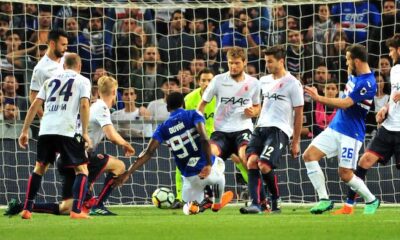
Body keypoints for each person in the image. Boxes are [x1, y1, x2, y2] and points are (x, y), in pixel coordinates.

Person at [5, 76, 135, 217]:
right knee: (120, 166)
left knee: (66, 208)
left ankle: (21, 206)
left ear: (98, 91)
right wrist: (126, 144)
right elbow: (111, 135)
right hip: (78, 154)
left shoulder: (93, 105)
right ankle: (98, 205)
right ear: (115, 92)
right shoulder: (101, 106)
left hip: (64, 158)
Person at [114, 92, 233, 213]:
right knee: (219, 165)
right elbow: (204, 138)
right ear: (184, 104)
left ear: (167, 108)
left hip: (189, 177)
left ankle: (198, 204)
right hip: (207, 170)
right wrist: (208, 164)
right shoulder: (193, 114)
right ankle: (216, 202)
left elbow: (148, 152)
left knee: (188, 209)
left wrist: (128, 172)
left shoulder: (162, 128)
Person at [303, 44, 379, 215]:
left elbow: (345, 103)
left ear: (357, 61)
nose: (346, 63)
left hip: (351, 134)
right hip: (335, 127)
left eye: (348, 60)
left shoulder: (368, 83)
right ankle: (324, 200)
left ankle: (372, 200)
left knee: (345, 174)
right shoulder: (353, 76)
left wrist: (318, 97)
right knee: (308, 155)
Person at [18, 53, 92, 219]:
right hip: (67, 129)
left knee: (39, 168)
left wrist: (24, 131)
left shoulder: (49, 81)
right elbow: (85, 104)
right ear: (79, 67)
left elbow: (34, 106)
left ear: (63, 65)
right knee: (82, 170)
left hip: (46, 129)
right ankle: (76, 211)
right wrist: (85, 132)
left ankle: (27, 209)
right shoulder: (82, 80)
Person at [333, 34, 400, 215]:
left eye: (392, 50)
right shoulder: (394, 70)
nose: (390, 53)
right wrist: (385, 108)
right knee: (363, 161)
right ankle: (349, 205)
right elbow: (394, 96)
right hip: (388, 127)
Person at [240, 45, 304, 214]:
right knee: (251, 162)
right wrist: (254, 111)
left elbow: (298, 114)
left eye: (270, 61)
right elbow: (261, 106)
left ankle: (276, 197)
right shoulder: (264, 81)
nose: (267, 64)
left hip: (279, 129)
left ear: (281, 61)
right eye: (266, 61)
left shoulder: (293, 84)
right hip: (260, 127)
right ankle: (256, 204)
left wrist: (295, 141)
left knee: (264, 166)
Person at [198, 46, 261, 190]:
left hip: (243, 129)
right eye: (230, 63)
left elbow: (258, 107)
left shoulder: (254, 83)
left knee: (247, 158)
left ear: (244, 62)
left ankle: (260, 199)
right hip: (221, 131)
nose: (233, 66)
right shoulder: (218, 80)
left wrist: (253, 112)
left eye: (237, 63)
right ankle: (207, 196)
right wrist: (198, 124)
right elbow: (202, 105)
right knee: (209, 157)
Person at [170, 68, 215, 208]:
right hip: (196, 138)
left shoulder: (220, 98)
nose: (207, 83)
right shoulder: (189, 99)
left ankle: (257, 196)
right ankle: (179, 198)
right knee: (181, 160)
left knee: (239, 159)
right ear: (198, 81)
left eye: (210, 80)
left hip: (217, 137)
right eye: (203, 80)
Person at [29, 29, 68, 118]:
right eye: (63, 45)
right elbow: (33, 96)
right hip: (55, 115)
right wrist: (43, 117)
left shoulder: (68, 58)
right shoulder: (41, 68)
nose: (66, 48)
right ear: (52, 44)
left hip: (71, 114)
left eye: (66, 45)